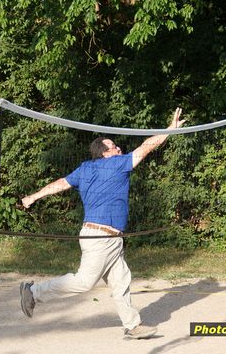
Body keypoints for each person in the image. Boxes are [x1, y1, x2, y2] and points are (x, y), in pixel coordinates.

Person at [19, 108, 185, 339]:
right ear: (105, 153)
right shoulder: (117, 164)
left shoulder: (85, 168)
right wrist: (170, 129)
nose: (119, 149)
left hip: (109, 237)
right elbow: (147, 147)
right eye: (115, 146)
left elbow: (60, 183)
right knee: (85, 282)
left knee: (121, 279)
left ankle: (132, 325)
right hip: (100, 237)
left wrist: (34, 196)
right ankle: (33, 292)